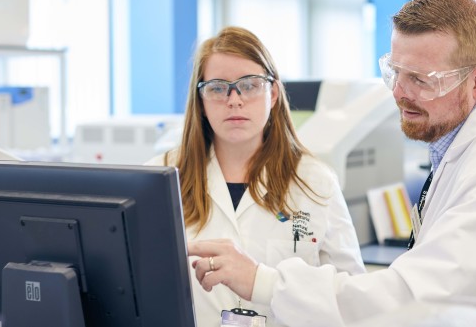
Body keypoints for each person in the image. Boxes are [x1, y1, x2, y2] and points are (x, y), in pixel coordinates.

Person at [188, 0, 476, 326]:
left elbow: (414, 299)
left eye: (420, 80)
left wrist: (263, 282)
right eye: (395, 72)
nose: (398, 93)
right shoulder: (465, 144)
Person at [145, 26, 365, 326]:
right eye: (218, 88)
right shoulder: (161, 177)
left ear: (272, 93)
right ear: (201, 101)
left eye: (249, 85)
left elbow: (352, 298)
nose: (234, 100)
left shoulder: (315, 181)